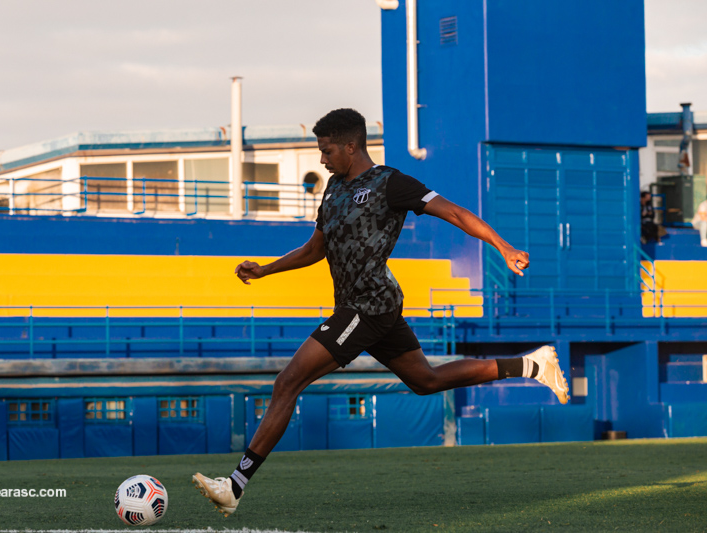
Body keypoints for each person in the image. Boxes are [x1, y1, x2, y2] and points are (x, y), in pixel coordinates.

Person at [192, 108, 569, 517]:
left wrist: (504, 247)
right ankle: (532, 365)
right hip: (372, 306)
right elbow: (314, 250)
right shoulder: (334, 188)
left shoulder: (391, 183)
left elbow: (456, 213)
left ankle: (235, 484)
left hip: (367, 307)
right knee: (425, 380)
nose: (322, 159)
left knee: (288, 381)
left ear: (351, 146)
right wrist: (265, 270)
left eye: (327, 150)